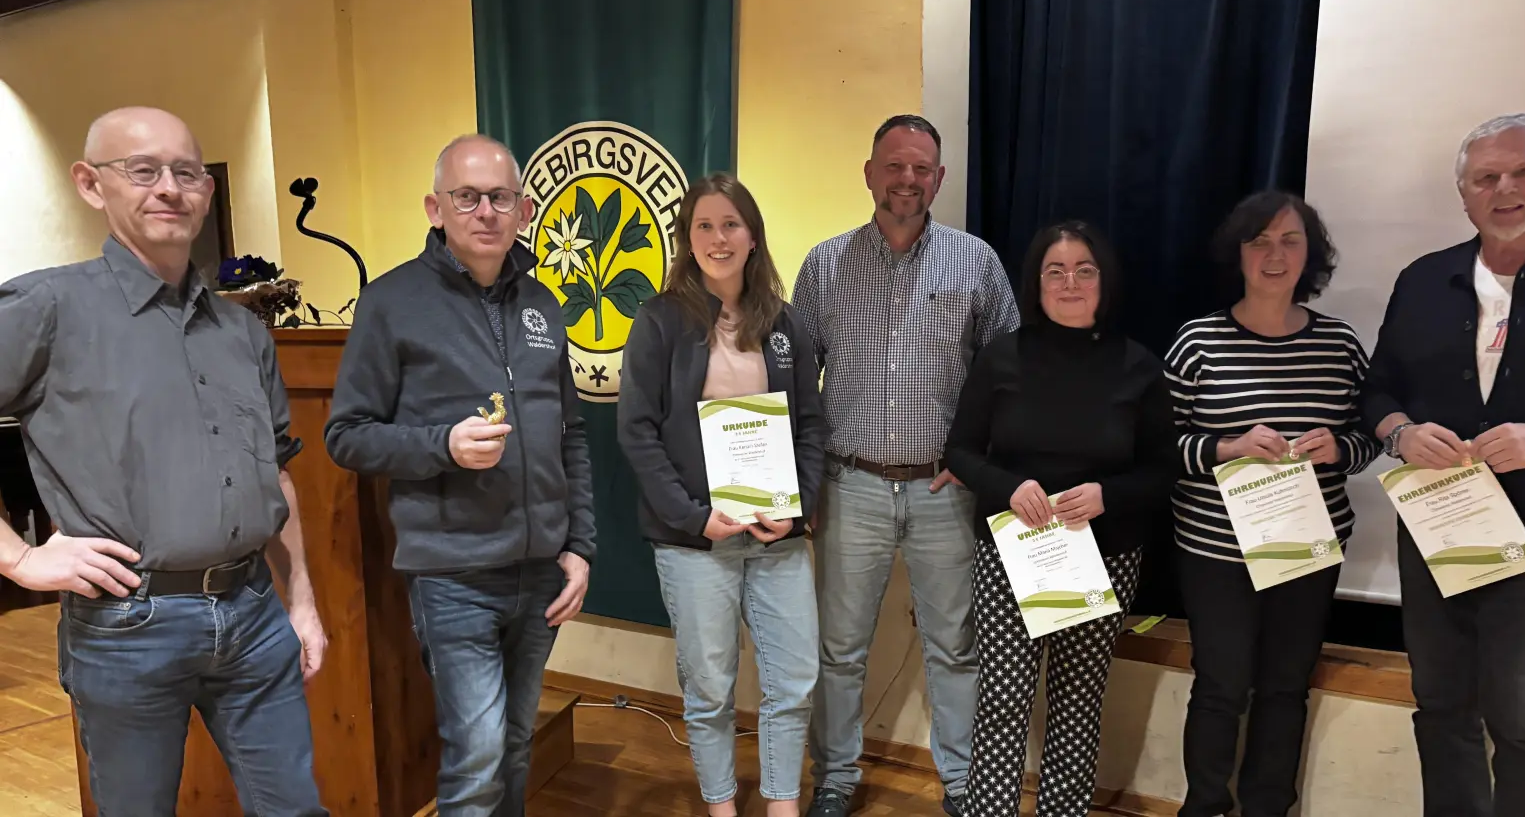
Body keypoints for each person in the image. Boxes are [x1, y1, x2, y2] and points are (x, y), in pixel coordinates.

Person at [0, 107, 328, 815]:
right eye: (141, 170)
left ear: (207, 193)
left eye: (185, 172)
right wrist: (20, 560)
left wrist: (300, 601)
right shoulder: (47, 307)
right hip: (129, 626)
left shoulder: (242, 330)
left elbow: (276, 471)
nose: (168, 188)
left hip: (253, 615)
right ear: (92, 185)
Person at [324, 134, 596, 817]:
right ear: (435, 209)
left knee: (514, 747)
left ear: (524, 209)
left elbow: (573, 434)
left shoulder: (542, 303)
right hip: (454, 575)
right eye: (466, 197)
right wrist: (441, 445)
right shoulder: (390, 302)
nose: (485, 212)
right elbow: (346, 436)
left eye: (500, 197)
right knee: (475, 757)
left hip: (540, 572)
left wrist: (581, 548)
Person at [1365, 112, 1525, 817]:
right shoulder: (1423, 278)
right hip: (1436, 526)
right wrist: (1401, 434)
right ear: (1463, 194)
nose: (1504, 189)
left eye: (1522, 171)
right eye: (1485, 177)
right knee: (1440, 707)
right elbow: (1377, 389)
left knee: (1523, 720)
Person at [793, 115, 1021, 817]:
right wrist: (802, 487)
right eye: (895, 166)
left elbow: (1008, 372)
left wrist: (977, 460)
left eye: (922, 168)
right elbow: (799, 383)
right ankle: (835, 779)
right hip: (849, 482)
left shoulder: (976, 261)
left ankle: (961, 784)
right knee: (839, 648)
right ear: (869, 173)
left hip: (942, 489)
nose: (908, 180)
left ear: (940, 179)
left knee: (954, 644)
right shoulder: (824, 264)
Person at [945, 221, 1177, 817]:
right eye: (1055, 270)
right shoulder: (1001, 358)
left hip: (1105, 554)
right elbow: (961, 451)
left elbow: (1161, 471)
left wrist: (1108, 495)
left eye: (1084, 270)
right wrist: (1009, 485)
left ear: (1105, 281)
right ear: (1036, 283)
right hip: (1010, 555)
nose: (1069, 282)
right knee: (1003, 700)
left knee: (1077, 703)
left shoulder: (1140, 368)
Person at [1163, 191, 1381, 817]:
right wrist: (1226, 446)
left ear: (1310, 255)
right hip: (1215, 550)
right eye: (1259, 240)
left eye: (1290, 241)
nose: (1274, 254)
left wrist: (1338, 448)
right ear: (1238, 253)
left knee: (1286, 689)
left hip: (1308, 547)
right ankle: (1204, 807)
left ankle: (1267, 808)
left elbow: (1372, 438)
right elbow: (1160, 446)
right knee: (1221, 688)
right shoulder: (1198, 340)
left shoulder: (1339, 345)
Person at [617, 172, 827, 817]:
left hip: (775, 537)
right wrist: (693, 516)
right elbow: (637, 432)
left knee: (794, 679)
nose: (718, 238)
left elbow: (811, 427)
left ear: (754, 236)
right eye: (704, 225)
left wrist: (795, 514)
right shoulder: (658, 320)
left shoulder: (784, 321)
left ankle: (782, 803)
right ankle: (720, 806)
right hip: (695, 541)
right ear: (687, 238)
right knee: (709, 688)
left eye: (731, 224)